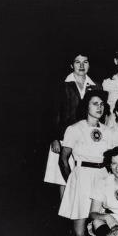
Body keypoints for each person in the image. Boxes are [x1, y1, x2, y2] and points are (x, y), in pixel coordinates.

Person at [58, 90, 114, 236]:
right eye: (95, 104)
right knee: (79, 234)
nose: (99, 107)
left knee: (100, 221)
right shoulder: (75, 129)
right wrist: (71, 181)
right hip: (82, 175)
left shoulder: (108, 131)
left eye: (102, 104)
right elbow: (63, 159)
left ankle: (95, 228)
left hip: (102, 175)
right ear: (86, 107)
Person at [44, 54, 100, 198]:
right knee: (63, 179)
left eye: (85, 62)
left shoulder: (95, 86)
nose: (81, 66)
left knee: (83, 175)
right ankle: (65, 215)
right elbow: (54, 112)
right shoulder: (62, 85)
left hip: (86, 139)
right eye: (77, 62)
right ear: (71, 65)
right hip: (64, 138)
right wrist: (54, 138)